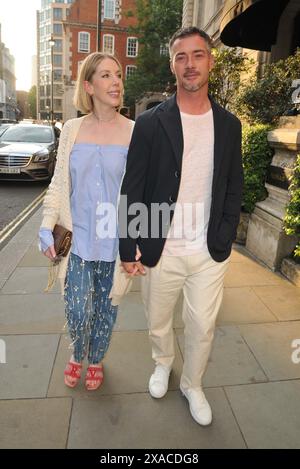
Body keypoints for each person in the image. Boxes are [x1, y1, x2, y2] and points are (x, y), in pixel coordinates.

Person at [119, 27, 243, 425]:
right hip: (162, 247)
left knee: (202, 327)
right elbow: (132, 186)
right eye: (181, 57)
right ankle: (163, 362)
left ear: (210, 59)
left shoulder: (229, 125)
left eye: (198, 55)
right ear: (173, 65)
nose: (190, 64)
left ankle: (192, 383)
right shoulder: (151, 123)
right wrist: (129, 244)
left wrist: (224, 232)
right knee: (158, 321)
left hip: (209, 250)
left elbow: (233, 185)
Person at [39, 52, 134, 391]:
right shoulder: (72, 130)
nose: (116, 82)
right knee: (78, 310)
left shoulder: (135, 132)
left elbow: (140, 194)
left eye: (119, 75)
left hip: (114, 242)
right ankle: (77, 352)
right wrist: (46, 224)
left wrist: (138, 241)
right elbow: (59, 184)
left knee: (106, 309)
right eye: (106, 76)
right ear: (90, 85)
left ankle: (96, 359)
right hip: (77, 240)